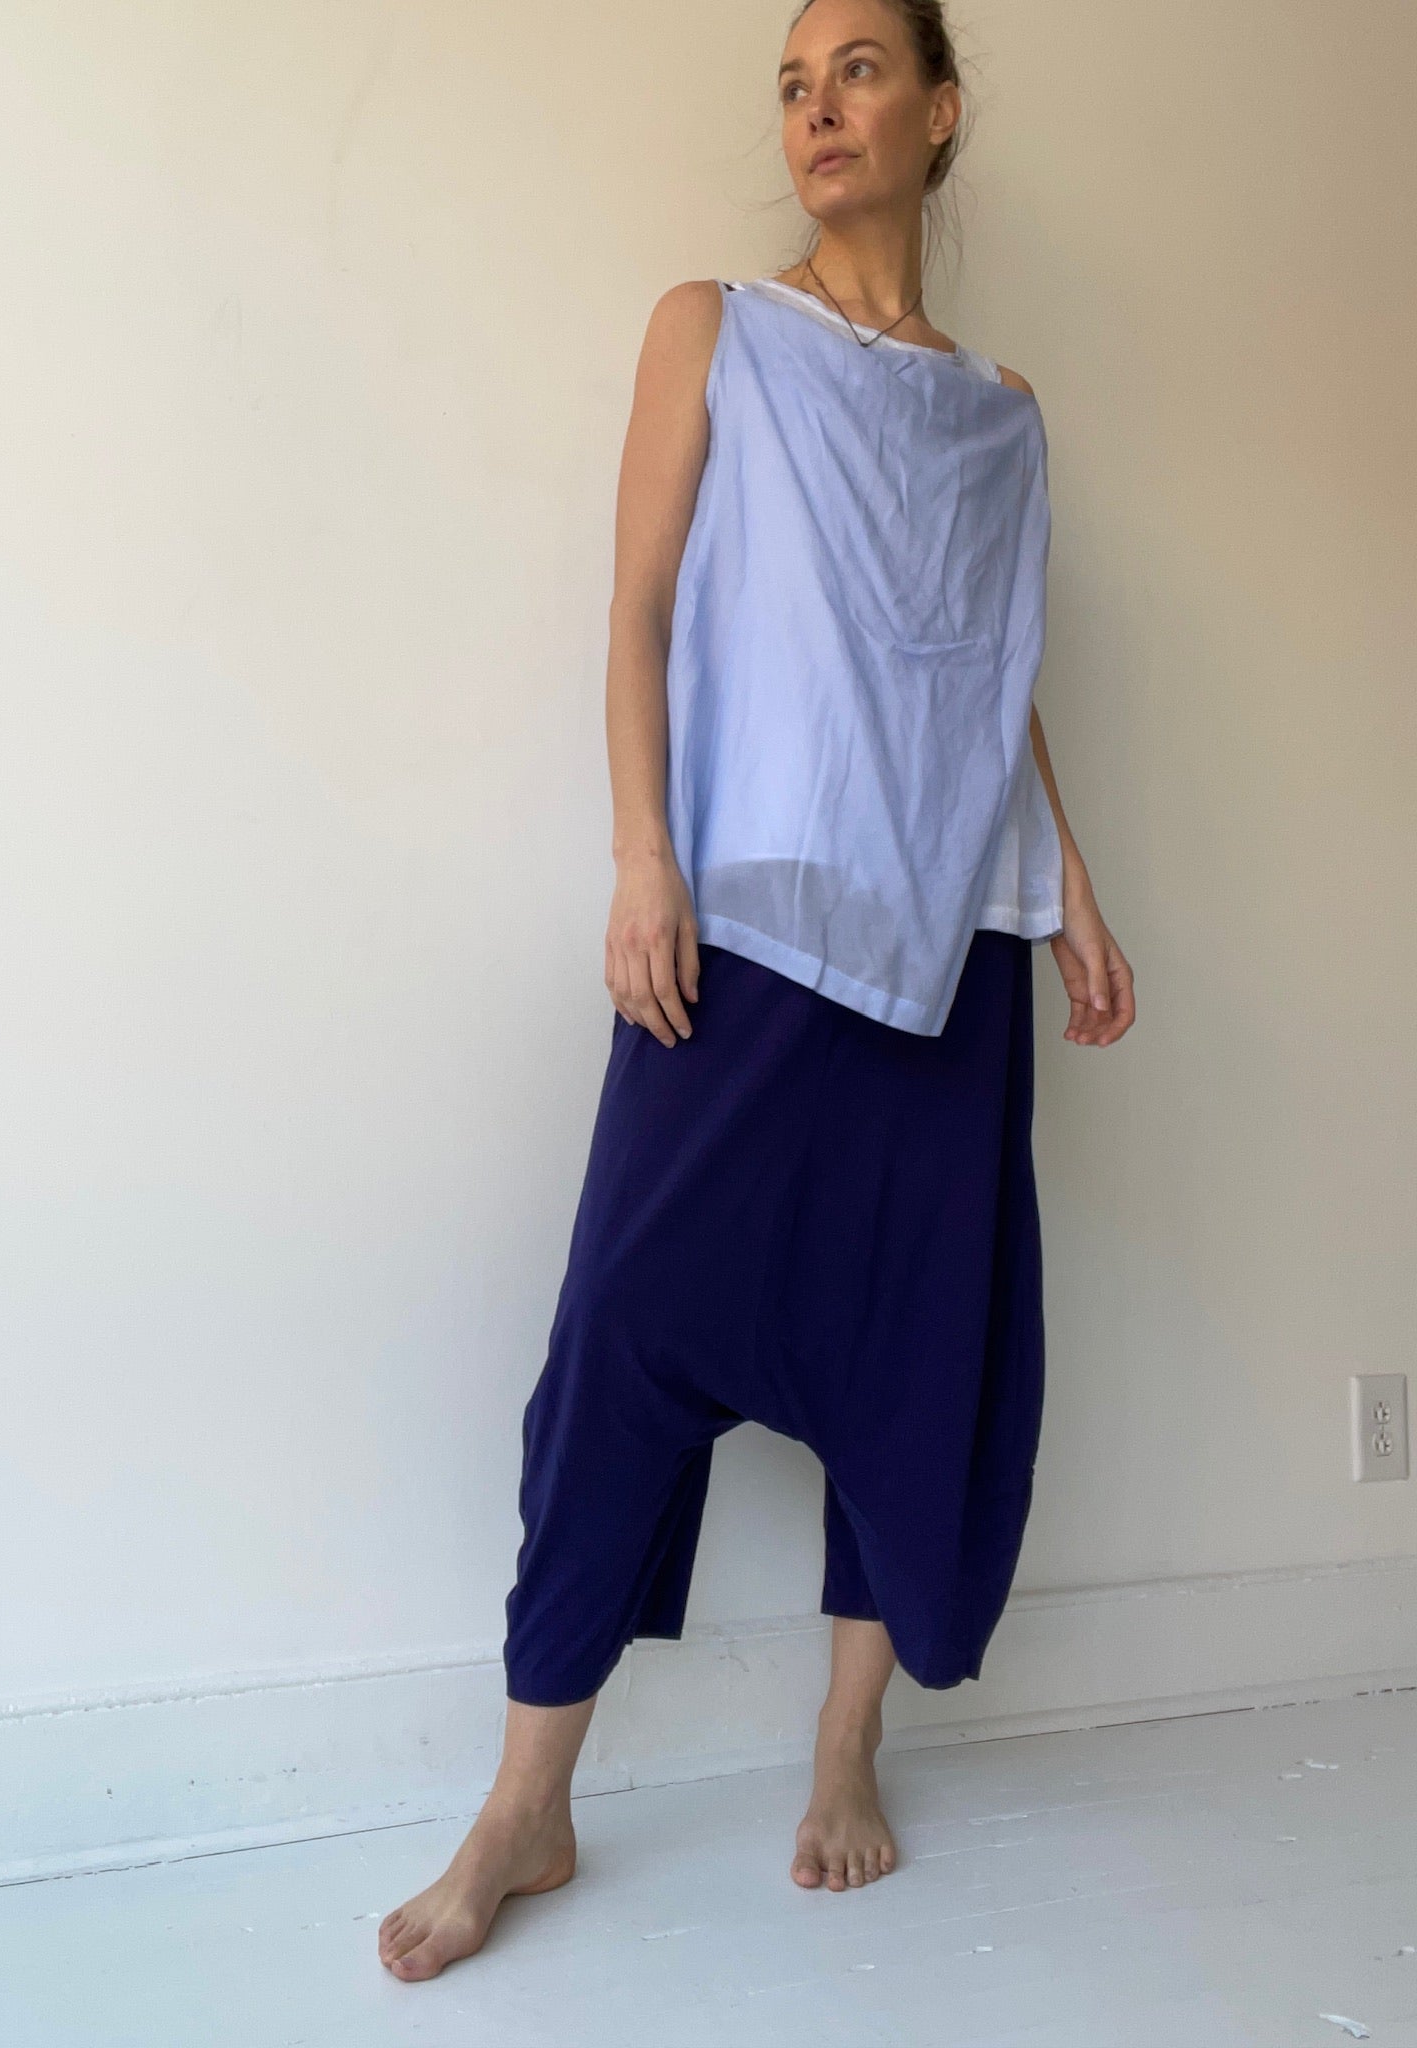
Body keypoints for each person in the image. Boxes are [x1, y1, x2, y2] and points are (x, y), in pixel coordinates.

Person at [380, 0, 1135, 1985]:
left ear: (940, 111)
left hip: (952, 941)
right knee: (620, 1334)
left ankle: (845, 1747)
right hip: (753, 922)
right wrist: (644, 855)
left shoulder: (1004, 413)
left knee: (917, 1345)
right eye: (793, 84)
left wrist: (1070, 886)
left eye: (858, 70)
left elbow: (989, 678)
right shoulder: (713, 327)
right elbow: (637, 606)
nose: (817, 108)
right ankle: (528, 1802)